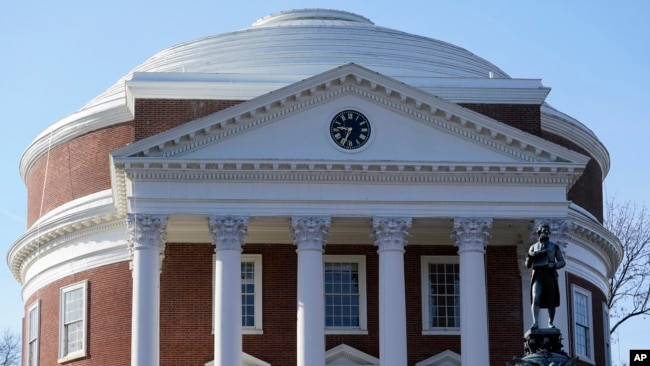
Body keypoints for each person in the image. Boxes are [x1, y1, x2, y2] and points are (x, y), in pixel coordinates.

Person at [525, 224, 566, 329]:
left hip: (550, 275)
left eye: (548, 231)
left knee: (551, 300)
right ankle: (535, 322)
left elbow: (562, 262)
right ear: (539, 233)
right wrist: (530, 256)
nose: (546, 233)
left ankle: (550, 323)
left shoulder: (554, 247)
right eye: (544, 231)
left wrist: (554, 265)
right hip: (538, 275)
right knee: (536, 297)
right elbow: (527, 265)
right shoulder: (533, 247)